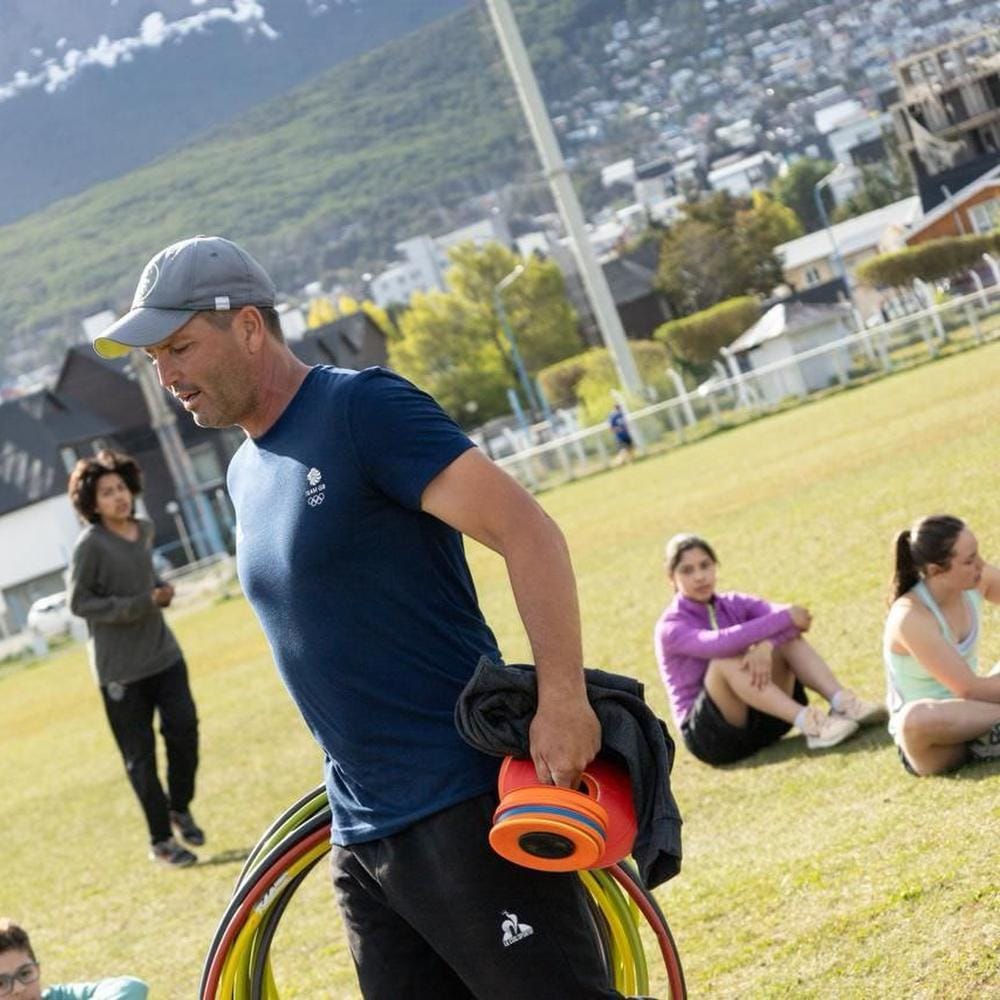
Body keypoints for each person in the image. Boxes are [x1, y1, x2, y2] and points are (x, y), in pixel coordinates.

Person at [92, 236, 627, 999]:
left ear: (249, 327)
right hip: (363, 834)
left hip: (460, 802)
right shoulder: (244, 472)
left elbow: (529, 533)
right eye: (154, 360)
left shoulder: (363, 409)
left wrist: (564, 701)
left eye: (180, 347)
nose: (168, 377)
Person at [66, 450, 204, 868]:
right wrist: (141, 603)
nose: (118, 498)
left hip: (164, 654)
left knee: (184, 731)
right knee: (140, 759)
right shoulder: (89, 546)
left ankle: (179, 807)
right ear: (91, 503)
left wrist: (160, 589)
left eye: (121, 488)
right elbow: (79, 602)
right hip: (120, 672)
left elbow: (144, 579)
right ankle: (162, 840)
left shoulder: (143, 529)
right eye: (107, 493)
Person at [655, 532, 886, 766]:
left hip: (767, 719)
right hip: (713, 738)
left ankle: (842, 703)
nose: (700, 576)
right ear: (671, 577)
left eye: (705, 565)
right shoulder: (671, 627)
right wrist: (784, 619)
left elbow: (800, 619)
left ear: (715, 566)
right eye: (687, 570)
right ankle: (811, 723)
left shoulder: (734, 602)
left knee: (786, 640)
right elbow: (720, 643)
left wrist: (767, 645)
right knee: (724, 661)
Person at [883, 514, 1000, 776]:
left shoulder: (974, 580)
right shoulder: (910, 616)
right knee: (914, 719)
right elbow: (969, 689)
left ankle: (990, 737)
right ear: (937, 570)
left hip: (980, 712)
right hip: (934, 740)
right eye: (969, 561)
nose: (981, 564)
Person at [0, 920, 147, 1000]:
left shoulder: (58, 996)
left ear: (37, 969)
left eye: (25, 974)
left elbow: (131, 987)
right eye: (1, 983)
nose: (19, 988)